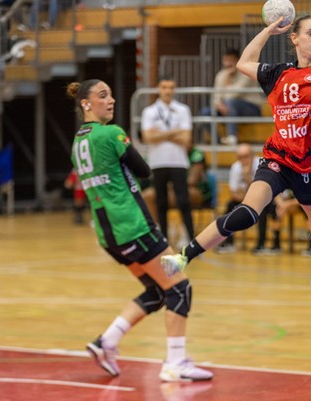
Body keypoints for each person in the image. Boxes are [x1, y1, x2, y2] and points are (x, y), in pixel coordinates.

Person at [161, 14, 311, 319]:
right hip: (278, 159)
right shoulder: (277, 74)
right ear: (294, 38)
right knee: (246, 213)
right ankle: (183, 257)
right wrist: (269, 29)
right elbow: (244, 62)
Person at [66, 79, 212, 382]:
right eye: (103, 96)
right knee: (179, 288)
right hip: (133, 226)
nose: (111, 100)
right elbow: (144, 170)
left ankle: (105, 342)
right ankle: (175, 363)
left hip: (109, 235)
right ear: (86, 104)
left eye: (111, 94)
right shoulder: (111, 133)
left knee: (157, 291)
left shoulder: (77, 144)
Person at [141, 76, 195, 246]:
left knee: (183, 201)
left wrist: (159, 134)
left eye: (171, 87)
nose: (168, 91)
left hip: (179, 162)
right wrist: (174, 132)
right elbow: (147, 137)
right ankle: (163, 239)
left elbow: (186, 139)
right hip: (158, 162)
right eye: (164, 87)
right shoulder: (149, 111)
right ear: (159, 88)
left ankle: (190, 237)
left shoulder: (183, 110)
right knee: (161, 202)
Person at [198, 48, 263, 145]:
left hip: (251, 108)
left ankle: (232, 137)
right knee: (204, 112)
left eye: (231, 60)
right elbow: (216, 95)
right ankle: (218, 141)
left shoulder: (246, 73)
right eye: (225, 60)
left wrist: (223, 99)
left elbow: (234, 94)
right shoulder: (221, 75)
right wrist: (218, 105)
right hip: (227, 108)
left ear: (238, 61)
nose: (228, 63)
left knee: (231, 102)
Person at [214, 143, 260, 253]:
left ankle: (261, 244)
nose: (243, 160)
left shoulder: (260, 164)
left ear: (252, 155)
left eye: (246, 156)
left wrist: (247, 176)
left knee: (265, 207)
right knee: (230, 206)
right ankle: (228, 242)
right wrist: (246, 195)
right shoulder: (236, 167)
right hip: (243, 200)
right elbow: (233, 193)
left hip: (260, 200)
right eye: (240, 157)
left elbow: (259, 191)